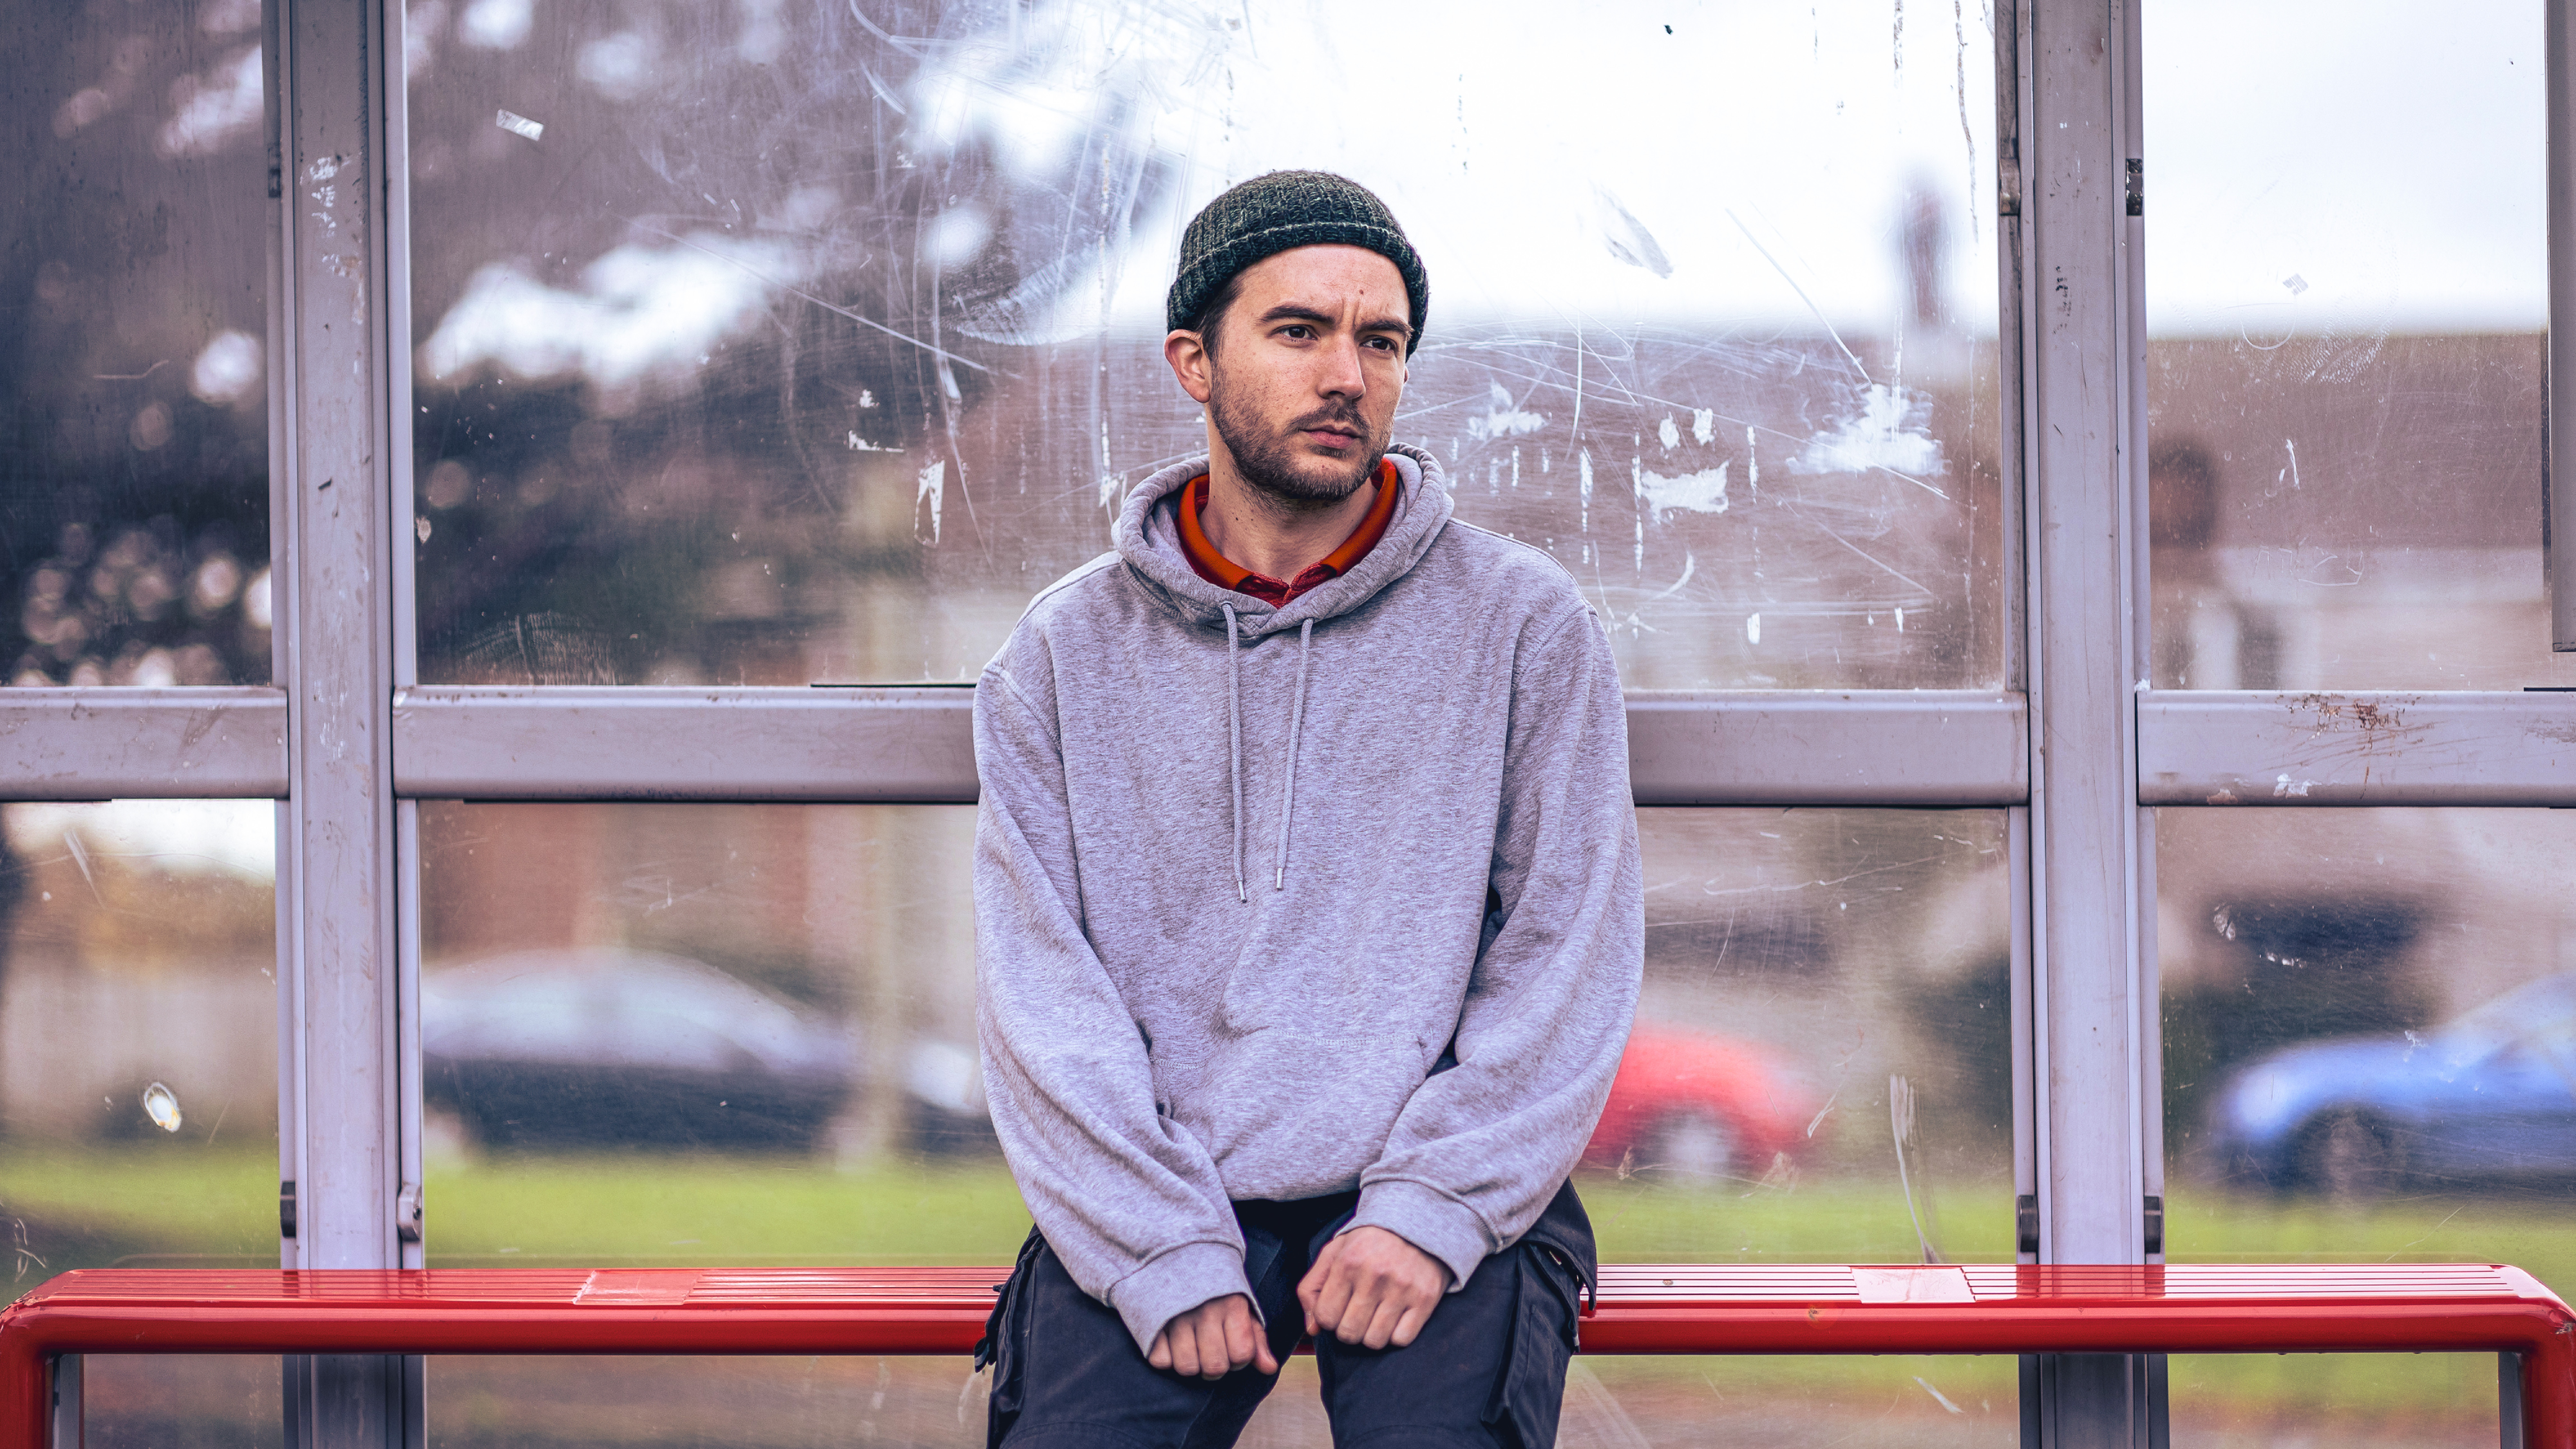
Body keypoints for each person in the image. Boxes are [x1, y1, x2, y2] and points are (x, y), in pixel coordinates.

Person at [971, 170, 1644, 1448]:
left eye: (1380, 342)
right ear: (1193, 359)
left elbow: (1568, 954)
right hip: (1163, 1178)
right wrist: (1156, 1242)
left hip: (1434, 1171)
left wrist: (1430, 1211)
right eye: (1298, 331)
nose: (1347, 375)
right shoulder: (1060, 655)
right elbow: (1040, 994)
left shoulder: (1524, 625)